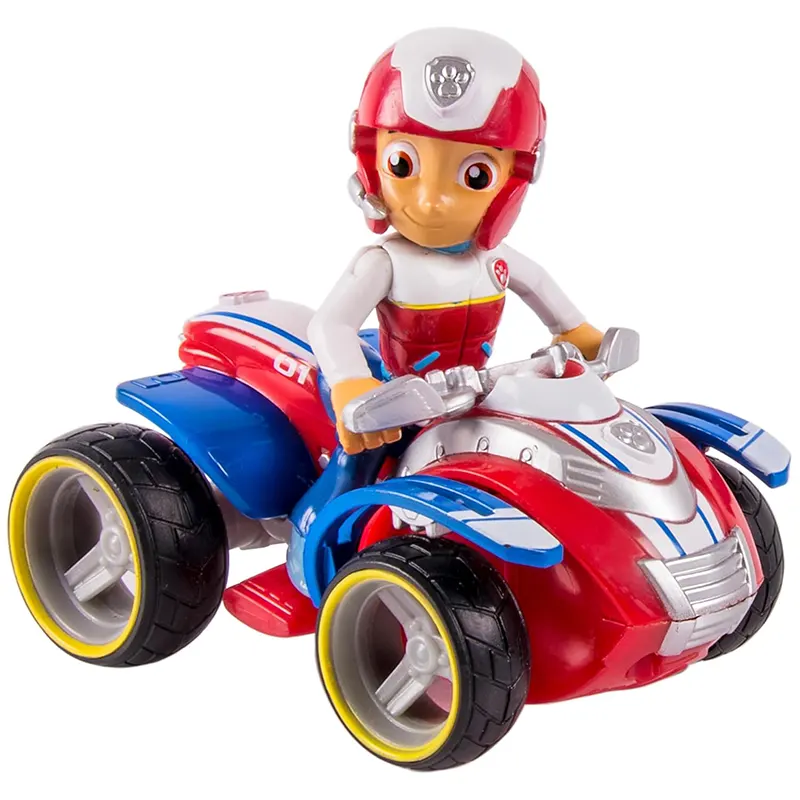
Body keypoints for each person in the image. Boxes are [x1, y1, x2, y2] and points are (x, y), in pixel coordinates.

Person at [287, 27, 603, 594]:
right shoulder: (383, 262)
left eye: (474, 175)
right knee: (359, 465)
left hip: (473, 393)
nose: (431, 200)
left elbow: (544, 291)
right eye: (403, 165)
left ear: (512, 182)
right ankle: (314, 548)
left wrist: (576, 333)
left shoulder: (495, 261)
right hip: (395, 397)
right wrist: (352, 385)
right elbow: (329, 323)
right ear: (370, 162)